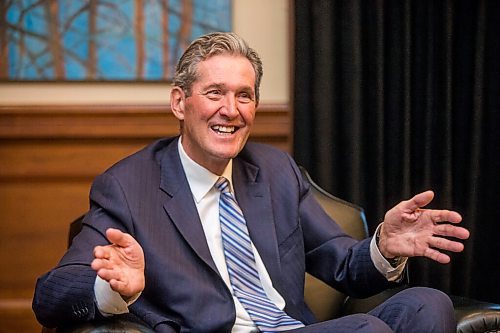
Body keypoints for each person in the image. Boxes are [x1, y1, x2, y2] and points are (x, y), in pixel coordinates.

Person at [33, 32, 469, 333]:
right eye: (215, 93)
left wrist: (383, 247)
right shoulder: (128, 185)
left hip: (293, 326)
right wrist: (110, 287)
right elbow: (50, 294)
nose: (231, 109)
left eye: (244, 95)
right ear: (179, 103)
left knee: (429, 304)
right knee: (368, 329)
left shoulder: (275, 170)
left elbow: (340, 263)